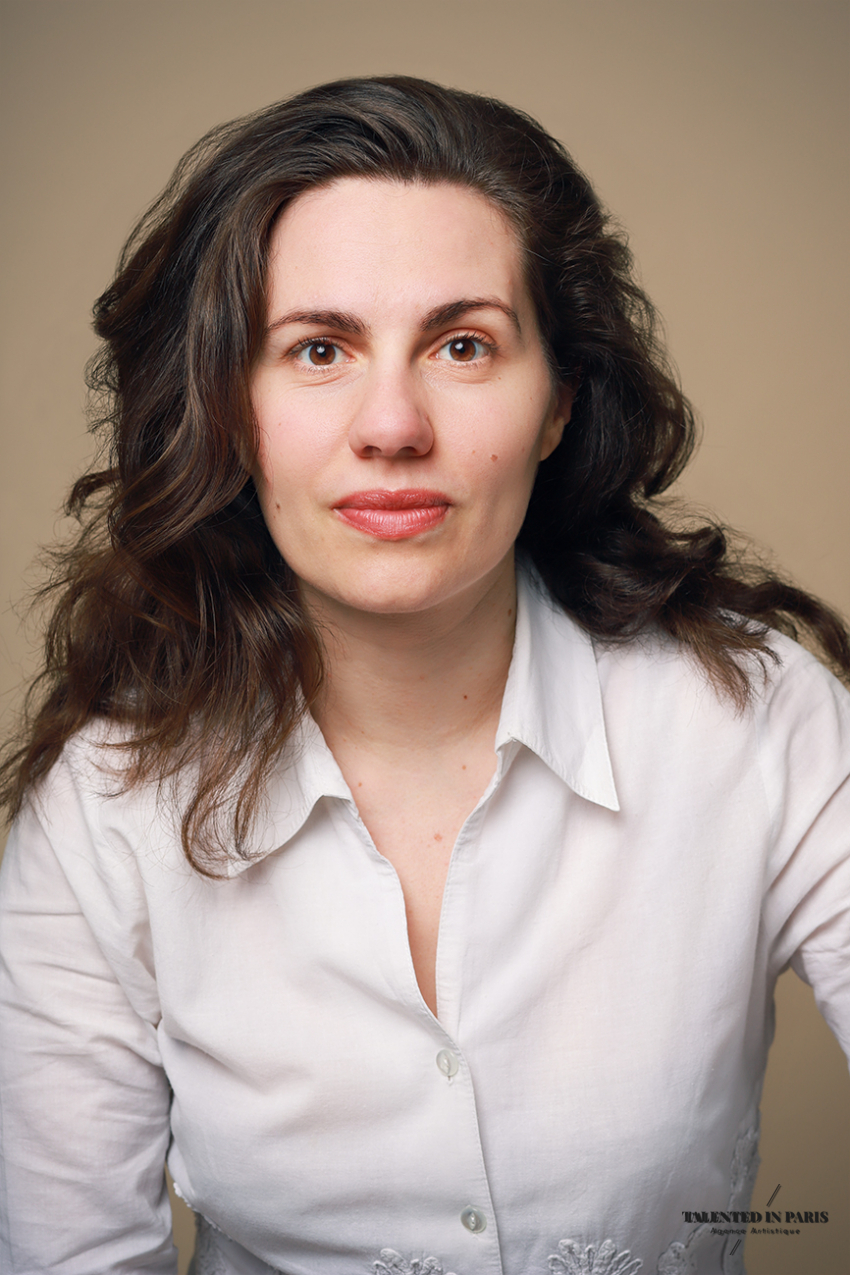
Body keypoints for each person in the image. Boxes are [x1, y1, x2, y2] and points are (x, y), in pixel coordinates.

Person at [0, 75, 848, 1275]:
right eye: (318, 350)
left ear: (556, 403)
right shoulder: (104, 806)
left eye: (462, 345)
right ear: (229, 409)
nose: (391, 425)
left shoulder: (753, 719)